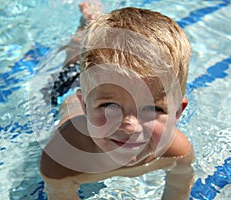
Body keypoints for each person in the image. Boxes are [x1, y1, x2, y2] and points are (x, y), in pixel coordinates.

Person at [39, 1, 195, 200]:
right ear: (85, 107)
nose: (130, 127)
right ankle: (89, 19)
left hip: (99, 86)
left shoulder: (177, 152)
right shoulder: (62, 158)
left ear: (177, 112)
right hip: (68, 89)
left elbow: (179, 187)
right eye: (109, 106)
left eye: (151, 108)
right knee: (75, 56)